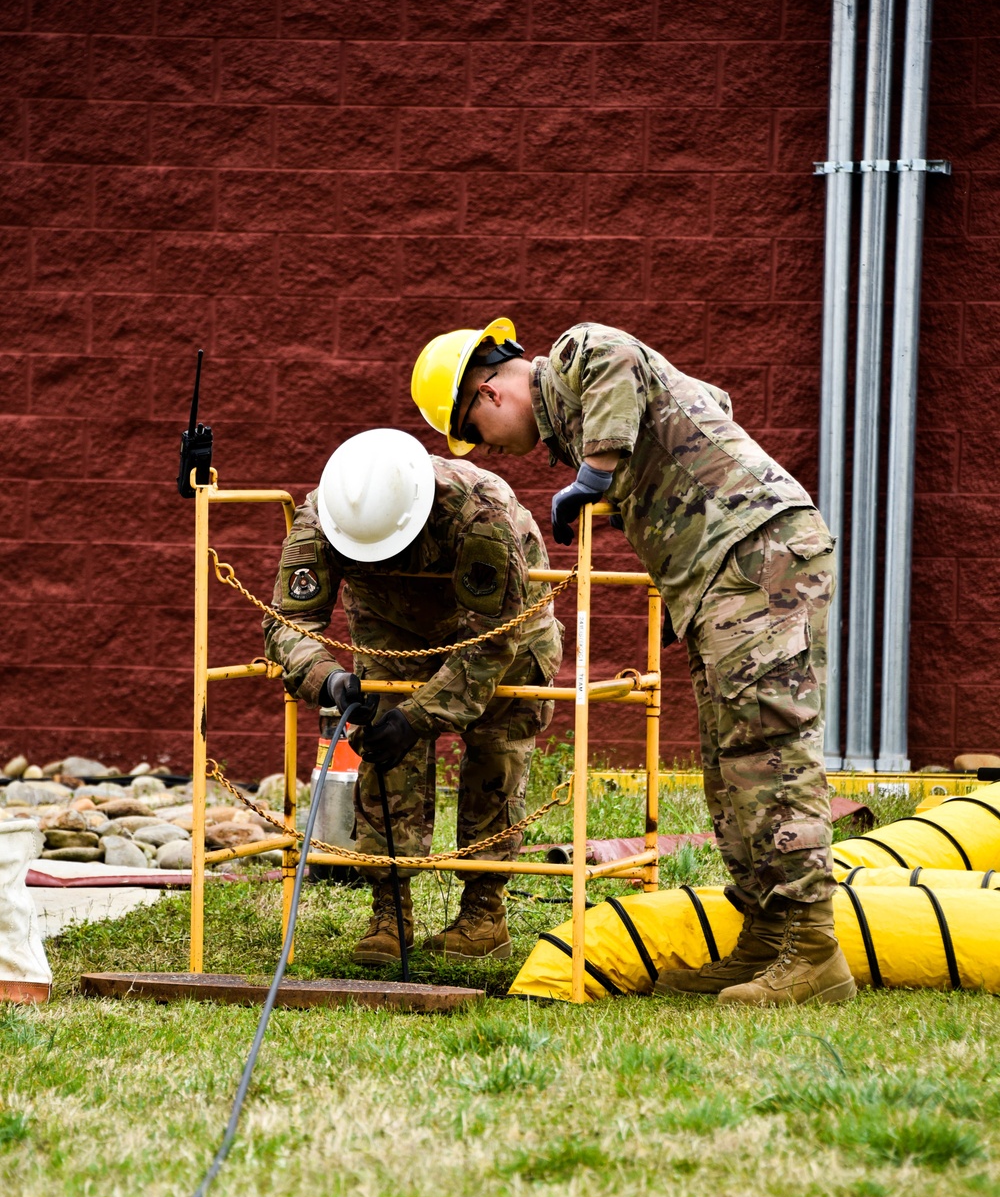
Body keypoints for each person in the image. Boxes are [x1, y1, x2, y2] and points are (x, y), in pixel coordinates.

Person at [410, 319, 854, 1007]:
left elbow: (613, 352)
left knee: (769, 749)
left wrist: (597, 474)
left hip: (757, 560)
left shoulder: (575, 356)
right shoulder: (589, 413)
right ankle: (767, 941)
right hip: (724, 576)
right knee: (732, 757)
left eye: (476, 436)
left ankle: (812, 950)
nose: (490, 453)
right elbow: (713, 402)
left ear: (489, 393)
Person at [262, 427, 562, 966]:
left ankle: (483, 916)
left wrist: (419, 717)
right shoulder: (324, 515)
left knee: (496, 762)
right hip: (391, 629)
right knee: (383, 756)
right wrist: (327, 678)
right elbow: (289, 622)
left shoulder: (481, 512)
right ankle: (389, 915)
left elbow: (492, 642)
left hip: (507, 630)